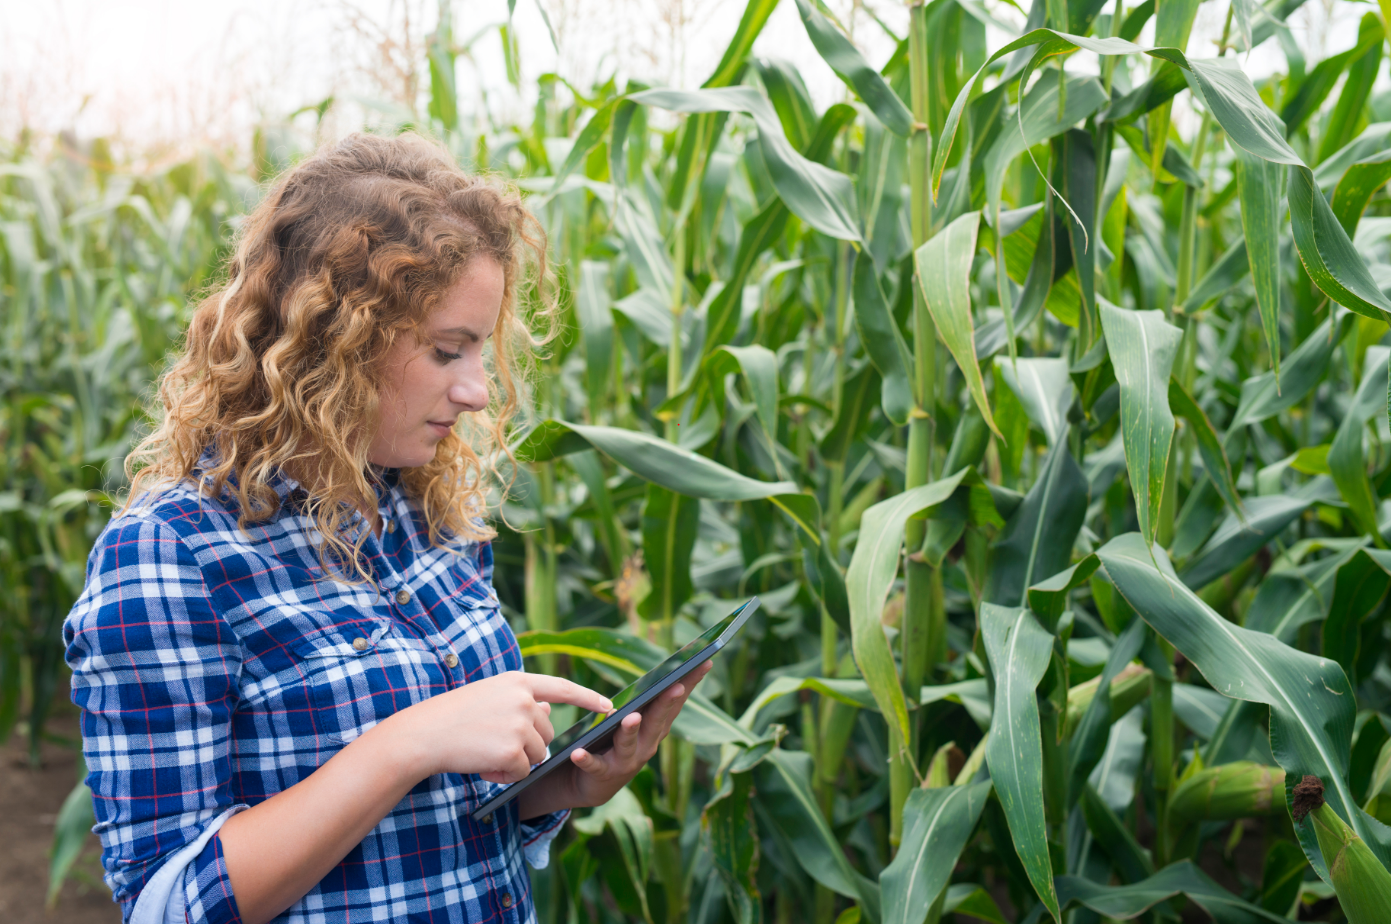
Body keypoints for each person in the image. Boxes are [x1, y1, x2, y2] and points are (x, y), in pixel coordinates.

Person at [63, 132, 710, 924]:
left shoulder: (426, 510)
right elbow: (164, 904)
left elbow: (443, 823)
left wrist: (560, 790)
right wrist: (407, 743)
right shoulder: (170, 555)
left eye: (481, 350)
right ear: (332, 341)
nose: (477, 391)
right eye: (448, 351)